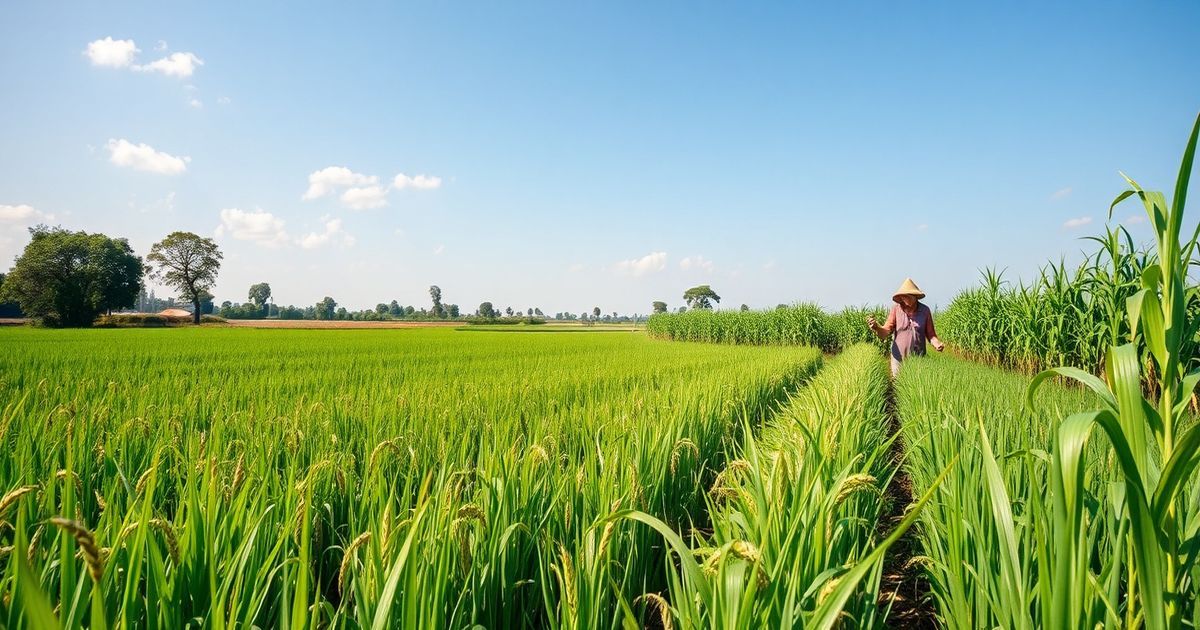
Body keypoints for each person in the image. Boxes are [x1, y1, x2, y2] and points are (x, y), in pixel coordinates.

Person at [867, 278, 945, 376]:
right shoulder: (896, 309)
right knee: (899, 385)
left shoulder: (925, 311)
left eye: (906, 296)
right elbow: (885, 331)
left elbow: (931, 335)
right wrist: (876, 327)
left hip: (918, 358)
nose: (904, 299)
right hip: (898, 358)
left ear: (915, 297)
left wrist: (937, 343)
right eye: (902, 297)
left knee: (915, 385)